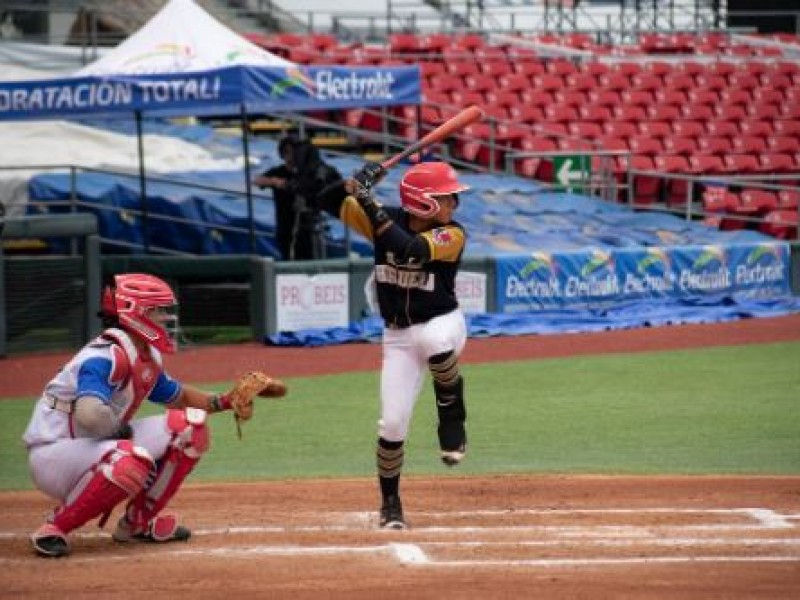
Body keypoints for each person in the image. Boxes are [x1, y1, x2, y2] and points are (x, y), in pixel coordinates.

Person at [22, 273, 286, 558]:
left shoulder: (142, 355)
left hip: (96, 444)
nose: (165, 317)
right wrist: (122, 434)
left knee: (190, 428)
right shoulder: (106, 355)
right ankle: (54, 528)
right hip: (55, 454)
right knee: (130, 459)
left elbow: (181, 398)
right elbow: (90, 415)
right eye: (157, 310)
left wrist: (227, 400)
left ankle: (136, 524)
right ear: (136, 313)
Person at [319, 160, 471, 530]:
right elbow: (325, 200)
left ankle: (452, 418)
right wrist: (355, 180)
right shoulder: (380, 217)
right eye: (444, 198)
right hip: (398, 337)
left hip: (443, 322)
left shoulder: (453, 234)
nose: (453, 204)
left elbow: (410, 251)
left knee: (436, 341)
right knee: (391, 425)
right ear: (422, 202)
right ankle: (390, 503)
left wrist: (368, 200)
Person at [254, 136, 342, 260]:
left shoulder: (308, 172)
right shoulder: (279, 171)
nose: (292, 156)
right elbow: (258, 180)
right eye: (288, 152)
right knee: (289, 256)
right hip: (286, 224)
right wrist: (275, 182)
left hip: (308, 224)